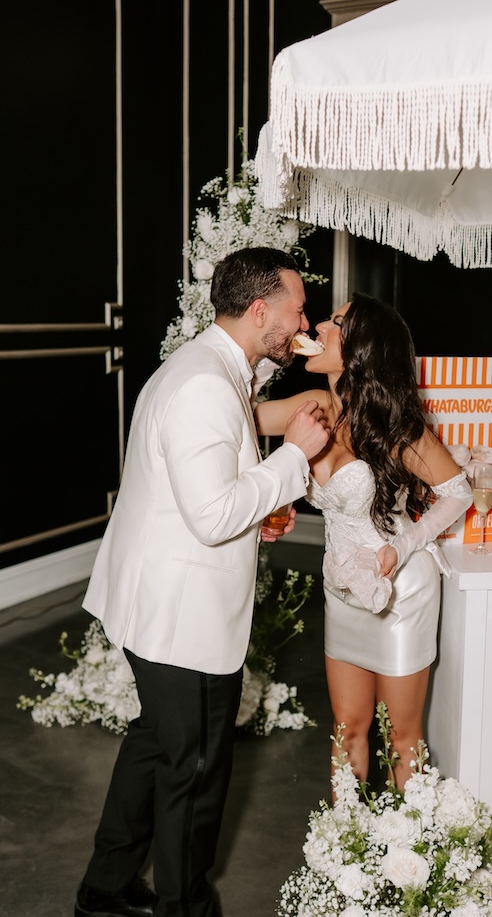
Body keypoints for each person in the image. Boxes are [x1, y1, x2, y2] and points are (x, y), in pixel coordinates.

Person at [74, 247, 329, 917]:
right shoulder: (205, 385)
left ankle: (104, 893)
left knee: (157, 743)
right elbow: (214, 515)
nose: (306, 320)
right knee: (192, 770)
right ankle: (184, 907)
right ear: (260, 310)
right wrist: (296, 457)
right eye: (298, 308)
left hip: (164, 596)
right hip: (176, 614)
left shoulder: (215, 369)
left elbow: (209, 496)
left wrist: (261, 512)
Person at [256, 293, 473, 790]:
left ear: (361, 349)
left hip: (399, 587)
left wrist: (406, 544)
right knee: (346, 727)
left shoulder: (394, 423)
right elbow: (236, 415)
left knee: (402, 736)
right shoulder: (307, 409)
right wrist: (268, 358)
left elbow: (458, 493)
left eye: (335, 323)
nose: (320, 328)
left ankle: (410, 859)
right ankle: (344, 852)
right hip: (342, 587)